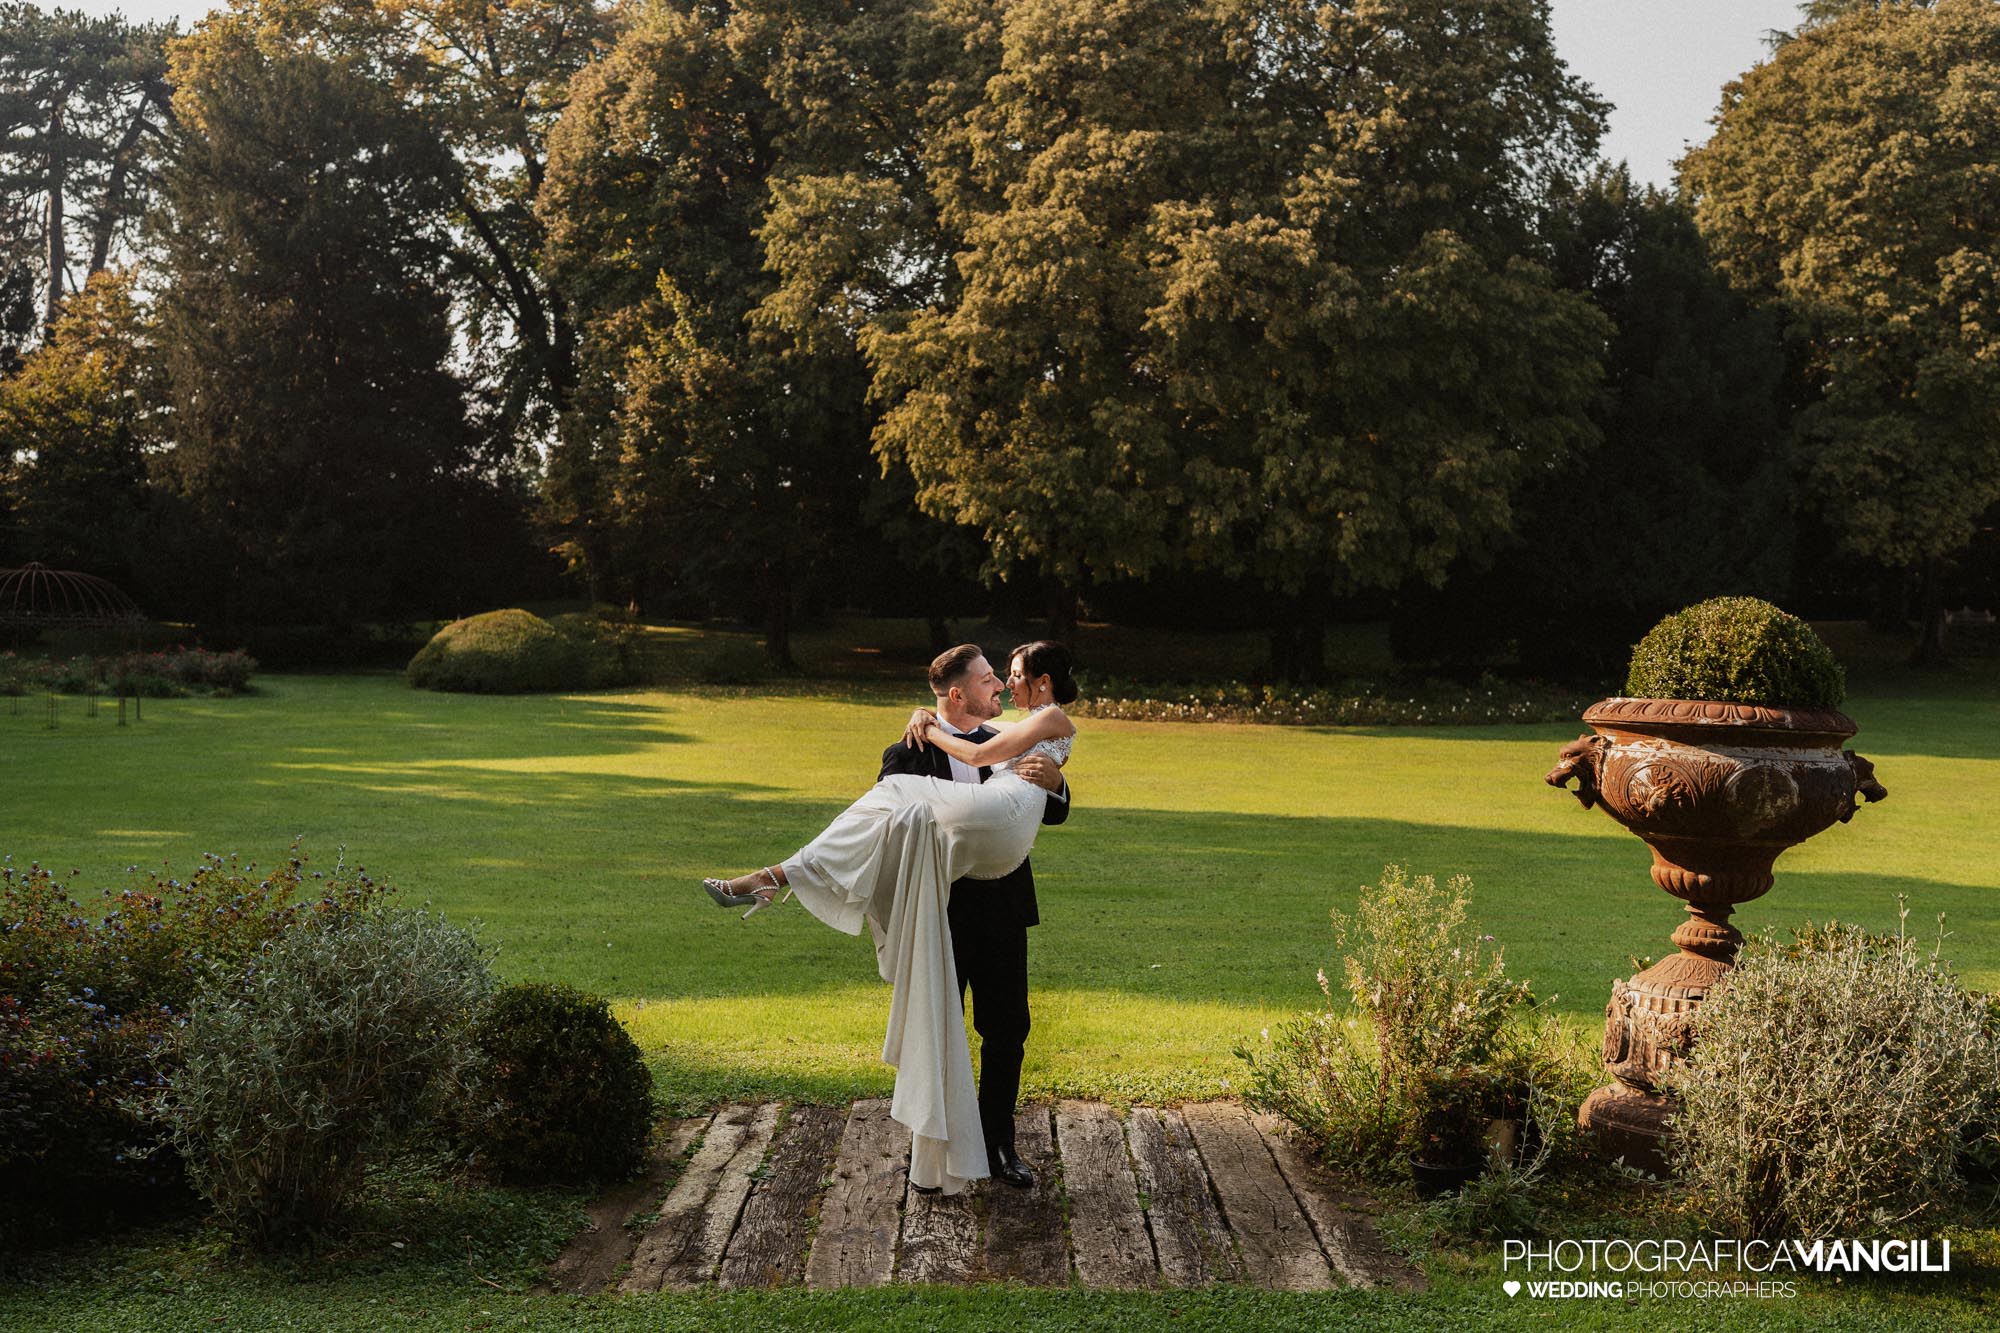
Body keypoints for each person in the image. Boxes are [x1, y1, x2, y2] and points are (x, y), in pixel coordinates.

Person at [701, 640, 1079, 1195]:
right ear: (957, 693)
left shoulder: (1008, 735)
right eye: (987, 679)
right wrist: (925, 728)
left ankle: (999, 1145)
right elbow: (881, 833)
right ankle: (935, 1149)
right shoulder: (906, 751)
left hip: (1001, 904)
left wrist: (1058, 783)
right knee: (934, 1025)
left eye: (1006, 676)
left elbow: (1051, 800)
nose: (999, 684)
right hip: (940, 907)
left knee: (1007, 1030)